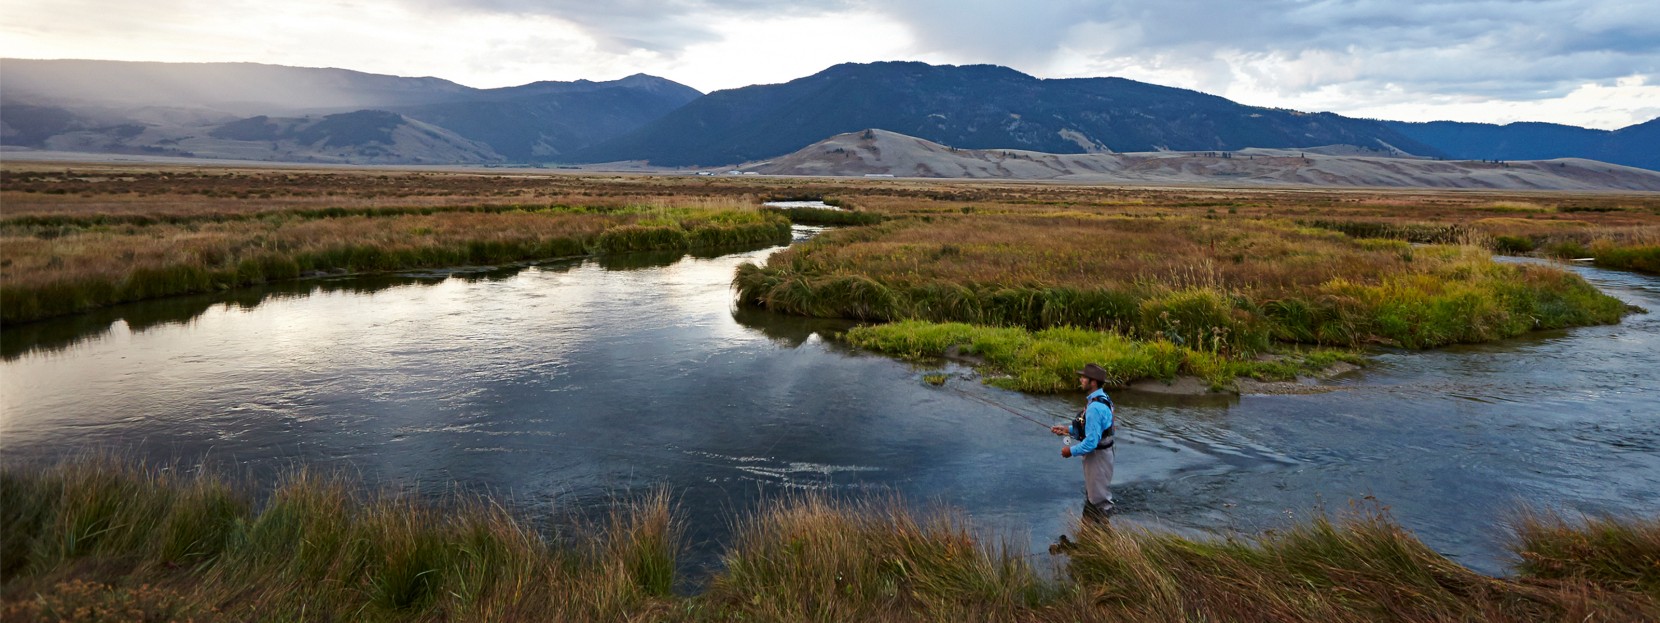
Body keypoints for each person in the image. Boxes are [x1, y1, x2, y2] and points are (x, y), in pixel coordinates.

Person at [1051, 363, 1116, 523]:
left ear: (1092, 382)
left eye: (1083, 377)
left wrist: (1070, 451)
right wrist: (1068, 430)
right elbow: (1094, 429)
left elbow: (1091, 442)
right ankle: (1092, 532)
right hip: (1104, 452)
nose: (1080, 379)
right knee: (1095, 495)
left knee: (1100, 501)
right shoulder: (1102, 398)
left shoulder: (1094, 407)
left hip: (1098, 456)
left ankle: (1103, 536)